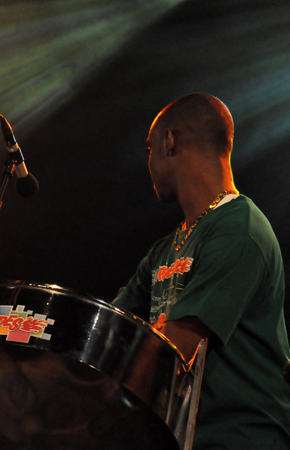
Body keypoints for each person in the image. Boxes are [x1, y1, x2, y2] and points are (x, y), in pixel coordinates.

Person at [113, 93, 290, 449]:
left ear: (170, 141)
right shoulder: (164, 249)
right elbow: (111, 329)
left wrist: (92, 419)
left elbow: (171, 346)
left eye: (150, 148)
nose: (148, 161)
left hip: (241, 440)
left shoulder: (239, 227)